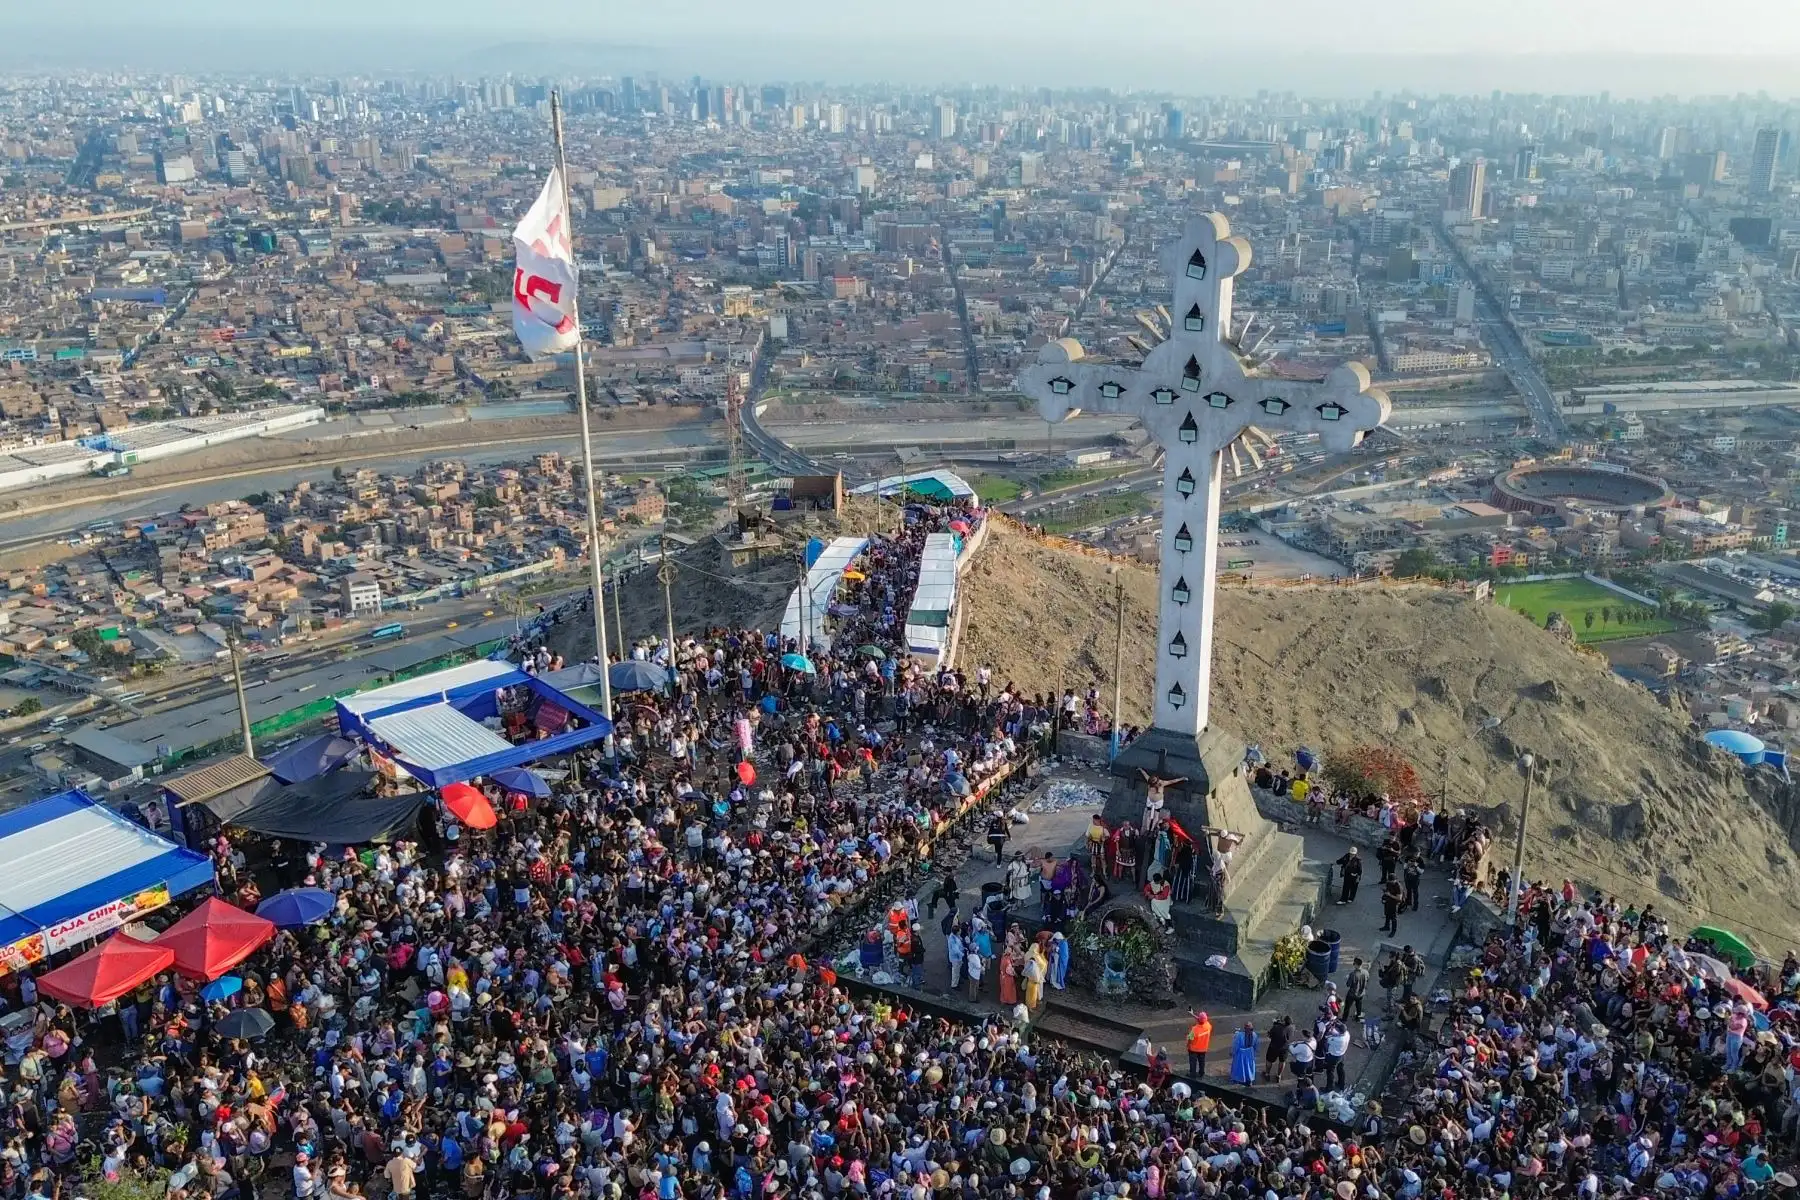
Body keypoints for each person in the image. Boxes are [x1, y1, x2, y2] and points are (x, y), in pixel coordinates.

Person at [1185, 1009, 1213, 1078]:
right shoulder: (1208, 1026)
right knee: (1202, 1062)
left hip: (1193, 1049)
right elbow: (1201, 1020)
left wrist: (1187, 1045)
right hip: (1203, 1048)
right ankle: (1201, 1073)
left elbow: (1190, 1039)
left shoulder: (1194, 1029)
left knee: (1193, 1062)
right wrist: (1192, 1014)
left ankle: (1193, 1074)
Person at [1230, 1020, 1259, 1085]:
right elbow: (1256, 1045)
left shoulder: (1239, 1035)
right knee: (1249, 1066)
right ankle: (1249, 1080)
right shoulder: (1254, 1035)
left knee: (1239, 1066)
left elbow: (1236, 1046)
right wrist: (1255, 1051)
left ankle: (1238, 1079)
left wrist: (1232, 1052)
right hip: (1250, 1053)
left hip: (1241, 1054)